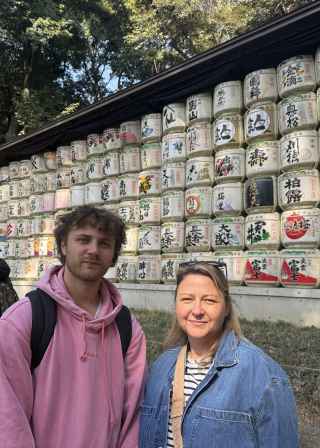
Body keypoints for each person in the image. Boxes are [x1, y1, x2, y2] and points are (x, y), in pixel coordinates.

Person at [0, 206, 147, 448]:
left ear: (113, 255)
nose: (93, 250)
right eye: (83, 239)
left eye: (104, 243)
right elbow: (8, 417)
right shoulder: (23, 320)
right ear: (64, 246)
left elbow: (134, 413)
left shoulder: (126, 328)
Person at [139, 261, 299, 448]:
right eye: (187, 299)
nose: (197, 311)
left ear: (227, 308)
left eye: (209, 300)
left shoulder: (263, 375)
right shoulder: (161, 366)